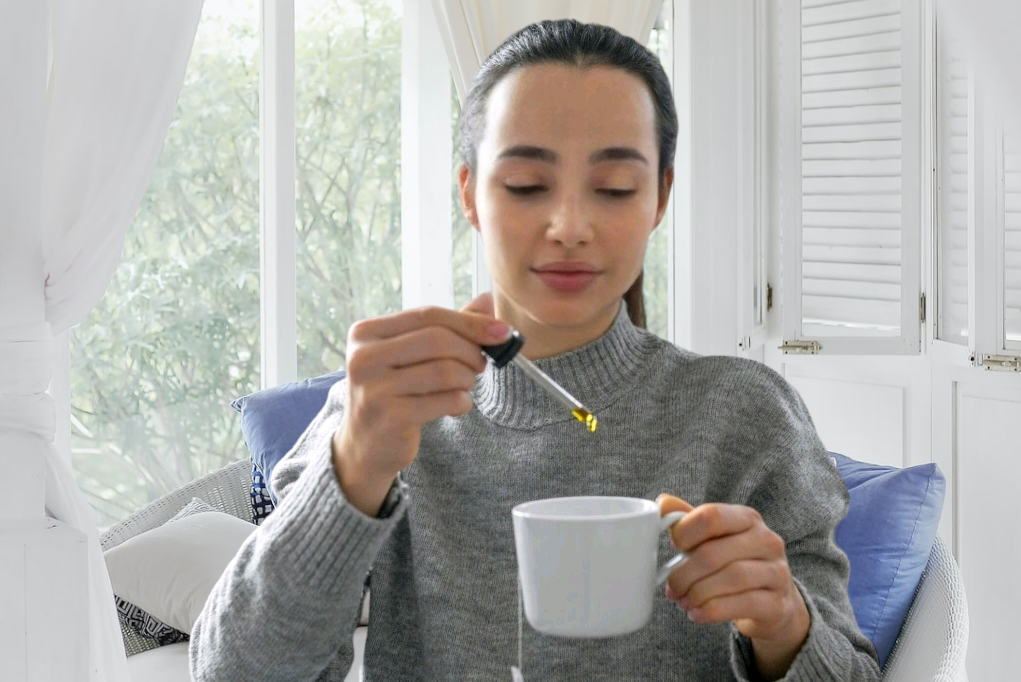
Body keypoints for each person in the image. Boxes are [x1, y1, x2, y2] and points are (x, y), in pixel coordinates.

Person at [191, 19, 881, 682]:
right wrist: (352, 469)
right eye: (526, 185)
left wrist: (785, 626)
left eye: (614, 188)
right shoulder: (384, 415)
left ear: (661, 197)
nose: (570, 226)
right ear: (470, 193)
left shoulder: (744, 415)